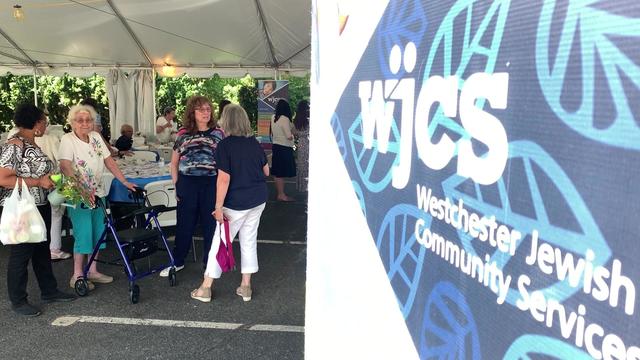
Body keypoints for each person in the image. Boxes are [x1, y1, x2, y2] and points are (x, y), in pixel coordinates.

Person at [0, 104, 76, 316]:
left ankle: (49, 290)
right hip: (23, 207)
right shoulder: (14, 145)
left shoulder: (29, 143)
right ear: (36, 124)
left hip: (40, 204)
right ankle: (18, 300)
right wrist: (38, 182)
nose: (46, 125)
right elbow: (3, 179)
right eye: (44, 121)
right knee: (21, 254)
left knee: (42, 249)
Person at [190, 104, 269, 303]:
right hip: (258, 198)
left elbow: (223, 179)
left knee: (220, 242)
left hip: (236, 202)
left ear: (227, 122)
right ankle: (246, 286)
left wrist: (218, 207)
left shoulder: (225, 146)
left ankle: (206, 287)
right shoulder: (254, 143)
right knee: (249, 240)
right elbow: (266, 171)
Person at [59, 104, 137, 291]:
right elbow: (65, 166)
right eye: (80, 120)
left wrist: (124, 181)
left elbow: (109, 161)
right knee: (83, 234)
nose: (85, 123)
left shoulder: (95, 137)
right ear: (72, 122)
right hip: (79, 195)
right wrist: (83, 189)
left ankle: (92, 270)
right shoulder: (67, 139)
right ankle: (77, 274)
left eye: (88, 120)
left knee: (98, 232)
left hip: (98, 192)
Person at [162, 96, 224, 277]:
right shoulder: (183, 133)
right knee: (184, 225)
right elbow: (173, 163)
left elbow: (224, 164)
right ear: (192, 113)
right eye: (201, 109)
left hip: (211, 183)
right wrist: (176, 184)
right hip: (187, 183)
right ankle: (178, 261)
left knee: (210, 225)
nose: (206, 112)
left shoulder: (218, 133)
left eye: (208, 109)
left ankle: (210, 263)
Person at [270, 99, 296, 201]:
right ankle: (281, 195)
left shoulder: (273, 117)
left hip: (276, 147)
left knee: (277, 172)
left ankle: (280, 194)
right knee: (281, 172)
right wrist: (293, 135)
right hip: (284, 148)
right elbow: (289, 136)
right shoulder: (285, 119)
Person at [293, 100, 310, 192]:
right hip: (309, 142)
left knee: (302, 165)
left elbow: (294, 132)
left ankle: (302, 187)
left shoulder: (297, 119)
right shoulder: (310, 118)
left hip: (301, 143)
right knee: (309, 164)